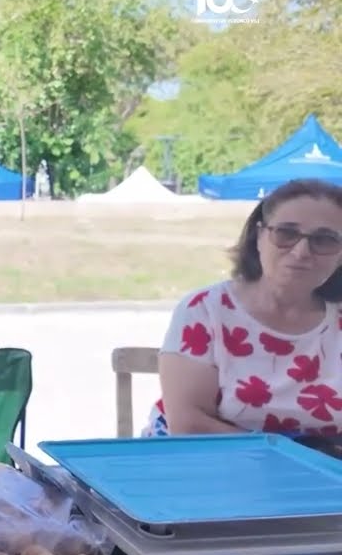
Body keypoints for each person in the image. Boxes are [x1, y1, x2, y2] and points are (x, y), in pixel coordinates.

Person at [146, 179, 342, 437]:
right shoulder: (204, 310)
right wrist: (292, 452)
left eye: (325, 240)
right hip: (212, 458)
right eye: (286, 233)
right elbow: (188, 425)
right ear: (259, 237)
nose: (301, 251)